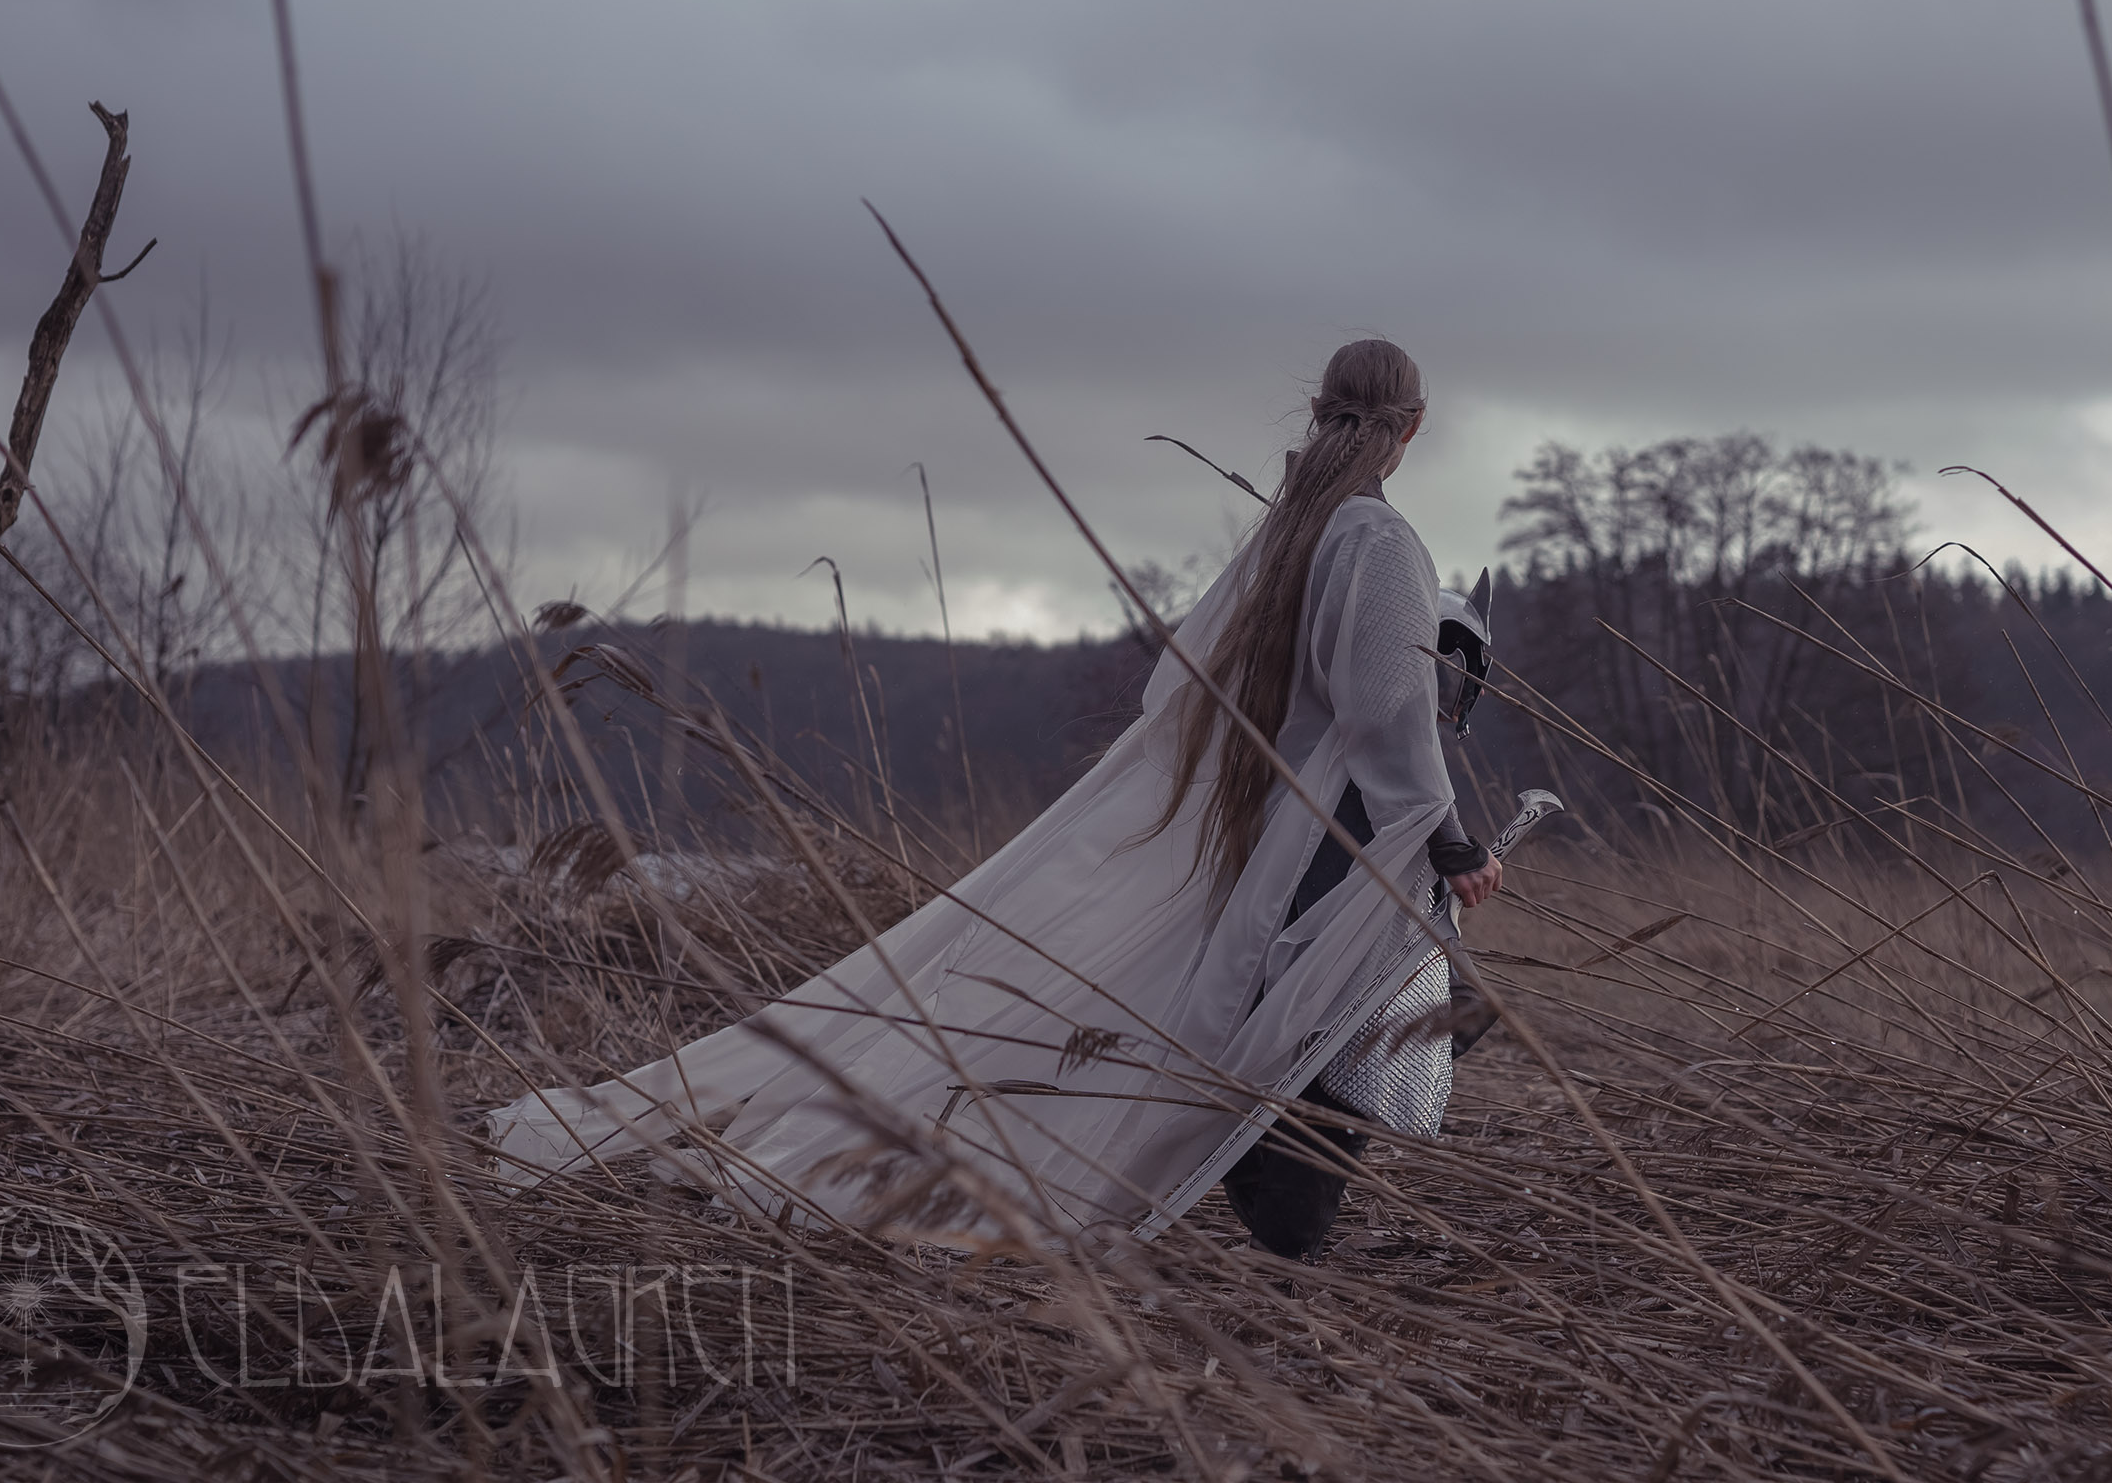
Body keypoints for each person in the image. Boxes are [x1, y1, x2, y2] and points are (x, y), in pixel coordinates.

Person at [486, 338, 1500, 1261]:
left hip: (1272, 828)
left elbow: (1190, 686)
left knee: (1351, 1018)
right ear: (1412, 429)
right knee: (1362, 1023)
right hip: (1329, 840)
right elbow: (1387, 716)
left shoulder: (1290, 531)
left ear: (1318, 412)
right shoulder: (1376, 540)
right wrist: (1451, 842)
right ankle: (1280, 1224)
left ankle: (1274, 1209)